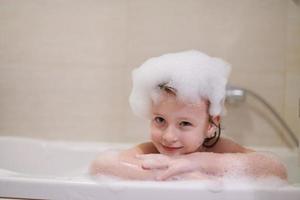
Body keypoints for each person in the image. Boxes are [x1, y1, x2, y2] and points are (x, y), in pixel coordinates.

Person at [90, 50, 287, 181]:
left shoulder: (219, 149)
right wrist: (169, 171)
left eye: (184, 123)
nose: (168, 136)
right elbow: (102, 165)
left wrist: (197, 163)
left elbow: (276, 169)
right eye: (160, 120)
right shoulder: (150, 152)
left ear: (211, 124)